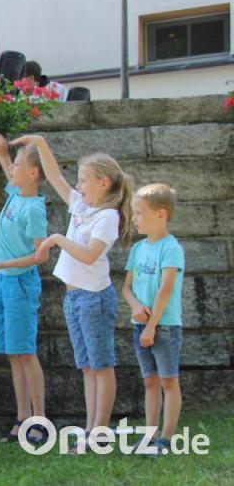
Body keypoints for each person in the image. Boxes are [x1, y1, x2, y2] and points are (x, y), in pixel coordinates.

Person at [13, 135, 133, 448]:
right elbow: (55, 178)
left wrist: (57, 239)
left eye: (83, 181)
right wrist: (41, 144)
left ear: (103, 183)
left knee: (101, 366)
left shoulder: (107, 217)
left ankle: (99, 432)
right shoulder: (82, 206)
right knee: (88, 367)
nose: (78, 186)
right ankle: (91, 428)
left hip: (94, 299)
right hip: (75, 298)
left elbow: (90, 254)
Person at [0, 131, 49, 444]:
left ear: (33, 173)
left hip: (19, 283)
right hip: (2, 282)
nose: (12, 169)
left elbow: (41, 255)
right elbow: (10, 172)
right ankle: (22, 418)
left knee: (26, 352)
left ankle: (40, 421)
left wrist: (1, 264)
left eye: (18, 165)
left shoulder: (34, 209)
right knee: (13, 353)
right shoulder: (16, 194)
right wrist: (2, 152)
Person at [121, 183, 185, 456]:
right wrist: (136, 307)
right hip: (140, 326)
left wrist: (151, 326)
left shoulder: (171, 248)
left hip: (164, 326)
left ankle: (165, 439)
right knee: (150, 381)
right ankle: (150, 435)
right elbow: (126, 287)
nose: (134, 219)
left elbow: (165, 289)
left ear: (161, 214)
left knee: (168, 382)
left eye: (139, 213)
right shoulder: (137, 249)